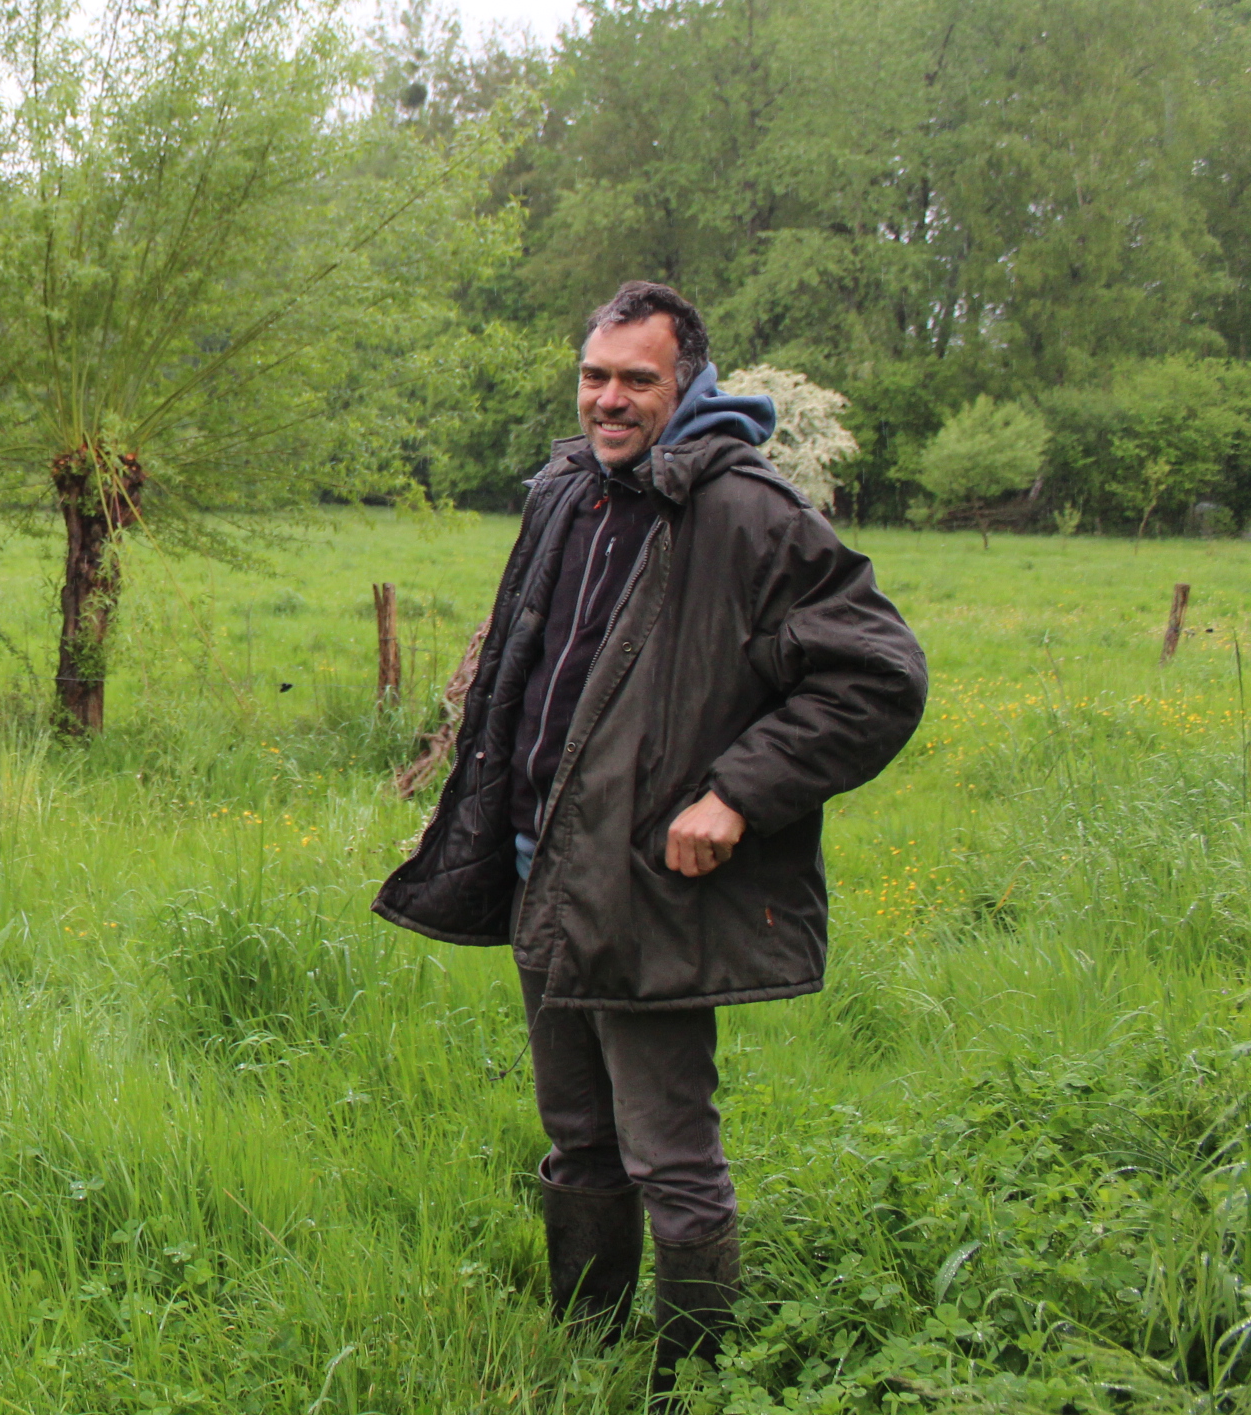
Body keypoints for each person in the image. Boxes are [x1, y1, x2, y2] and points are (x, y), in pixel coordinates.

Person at [371, 281, 927, 1401]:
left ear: (687, 387)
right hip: (541, 868)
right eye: (595, 376)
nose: (609, 400)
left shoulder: (743, 512)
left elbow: (878, 675)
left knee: (669, 1151)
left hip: (648, 882)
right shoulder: (569, 492)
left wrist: (736, 793)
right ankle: (587, 1344)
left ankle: (694, 1380)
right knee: (576, 1134)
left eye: (637, 380)